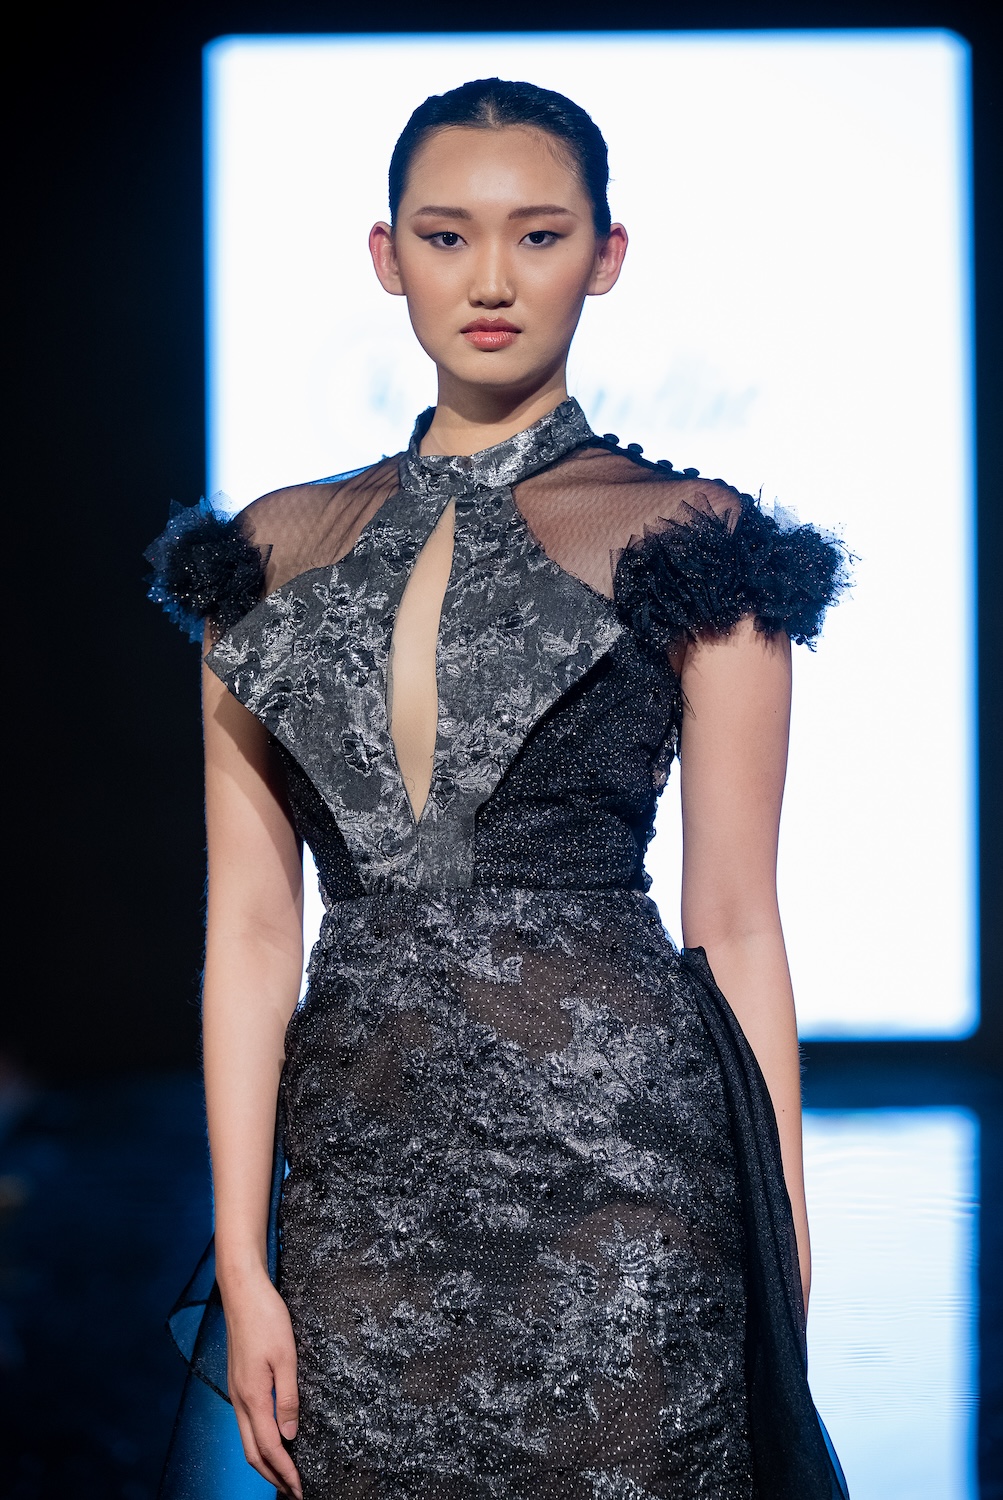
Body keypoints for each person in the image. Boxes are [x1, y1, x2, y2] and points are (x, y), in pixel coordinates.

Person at [147, 77, 850, 1500]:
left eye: (538, 235)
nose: (489, 279)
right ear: (385, 254)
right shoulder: (265, 555)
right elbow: (252, 931)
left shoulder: (690, 539)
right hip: (363, 1197)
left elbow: (737, 919)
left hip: (630, 1181)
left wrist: (782, 1238)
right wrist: (243, 1255)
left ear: (606, 255)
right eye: (445, 234)